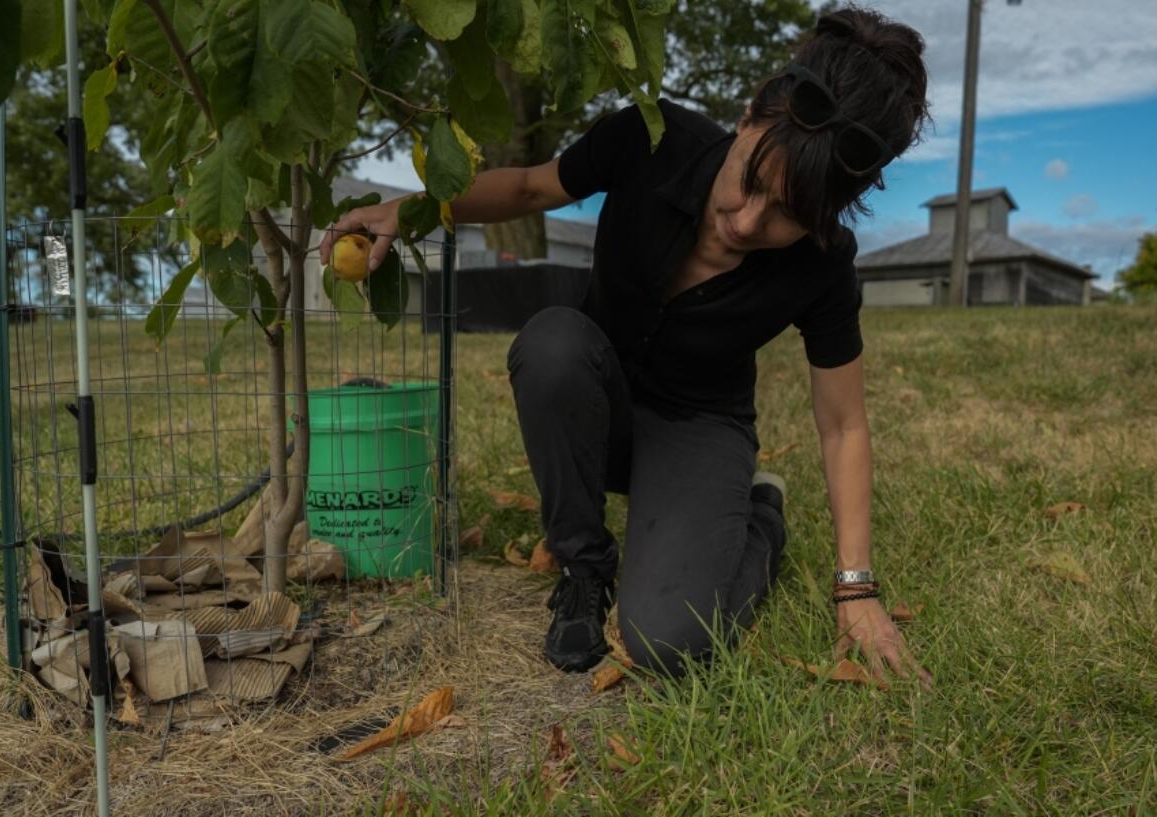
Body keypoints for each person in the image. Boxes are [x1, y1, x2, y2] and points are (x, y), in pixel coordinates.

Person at [322, 5, 934, 686]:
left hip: (698, 426)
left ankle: (760, 517)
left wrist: (856, 587)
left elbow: (843, 424)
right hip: (597, 399)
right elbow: (528, 186)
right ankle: (585, 567)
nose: (749, 220)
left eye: (788, 214)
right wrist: (411, 209)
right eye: (752, 183)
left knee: (670, 641)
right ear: (747, 116)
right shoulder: (652, 137)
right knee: (552, 341)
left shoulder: (824, 263)